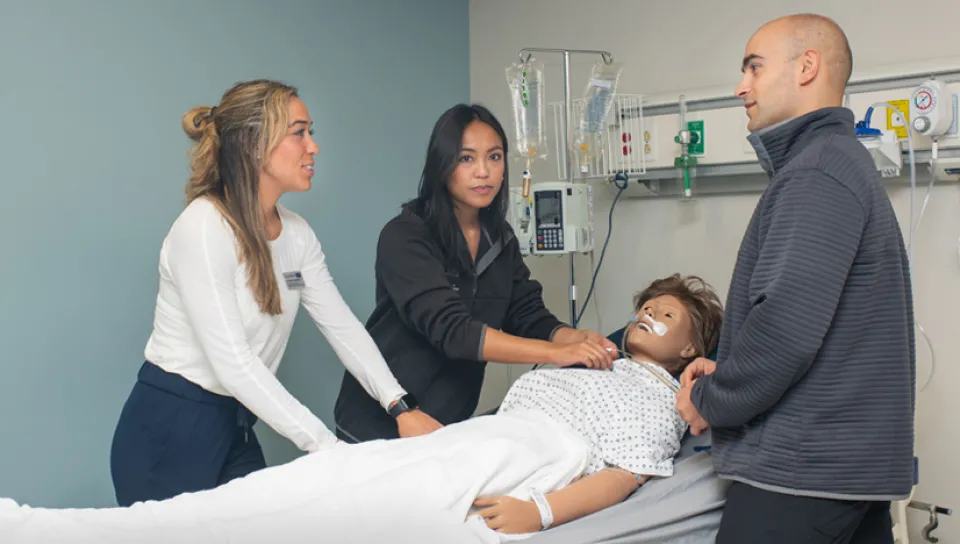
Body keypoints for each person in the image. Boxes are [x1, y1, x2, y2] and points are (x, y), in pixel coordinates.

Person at [1, 274, 723, 543]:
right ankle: (64, 530)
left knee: (342, 513)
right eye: (648, 307)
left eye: (671, 315)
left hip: (540, 456)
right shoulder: (595, 359)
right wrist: (568, 347)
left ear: (696, 343)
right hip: (489, 437)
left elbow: (626, 476)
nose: (652, 315)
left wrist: (539, 513)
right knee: (315, 485)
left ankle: (54, 533)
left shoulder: (657, 395)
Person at [109, 79, 441, 508]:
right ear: (253, 145)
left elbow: (341, 326)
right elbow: (235, 365)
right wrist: (326, 448)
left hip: (237, 424)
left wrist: (401, 406)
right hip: (170, 430)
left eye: (311, 131)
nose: (314, 147)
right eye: (299, 132)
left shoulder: (297, 237)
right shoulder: (204, 229)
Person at [675, 14, 915, 544]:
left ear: (807, 67)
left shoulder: (817, 171)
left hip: (803, 472)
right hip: (845, 470)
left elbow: (784, 330)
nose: (741, 87)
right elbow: (821, 329)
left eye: (754, 68)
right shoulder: (837, 163)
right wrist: (735, 369)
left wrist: (711, 397)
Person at [333, 104, 617, 442]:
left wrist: (572, 338)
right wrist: (556, 354)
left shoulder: (500, 238)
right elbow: (455, 332)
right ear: (442, 164)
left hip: (446, 421)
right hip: (380, 421)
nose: (483, 172)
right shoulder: (406, 236)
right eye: (466, 158)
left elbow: (525, 313)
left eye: (494, 157)